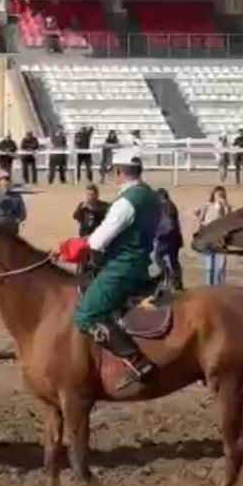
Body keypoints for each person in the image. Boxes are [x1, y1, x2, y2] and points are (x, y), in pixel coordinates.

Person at [53, 149, 161, 390]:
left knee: (85, 315)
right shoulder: (151, 196)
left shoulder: (125, 202)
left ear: (119, 171)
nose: (113, 175)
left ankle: (136, 360)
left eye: (114, 171)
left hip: (122, 268)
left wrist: (65, 249)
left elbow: (96, 242)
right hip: (142, 263)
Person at [194, 186, 231, 285]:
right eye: (218, 195)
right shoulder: (208, 206)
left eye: (222, 195)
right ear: (213, 195)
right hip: (209, 239)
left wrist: (225, 205)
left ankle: (221, 287)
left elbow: (229, 219)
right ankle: (209, 286)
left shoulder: (226, 208)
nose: (220, 197)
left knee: (220, 267)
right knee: (209, 267)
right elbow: (201, 221)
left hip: (221, 240)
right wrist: (199, 216)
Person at [154, 188, 184, 291]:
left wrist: (159, 233)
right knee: (173, 261)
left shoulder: (165, 206)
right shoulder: (171, 205)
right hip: (174, 238)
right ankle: (176, 282)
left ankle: (167, 277)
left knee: (159, 258)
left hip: (166, 238)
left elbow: (168, 224)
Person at [0, 171, 27, 235]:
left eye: (6, 180)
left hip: (11, 223)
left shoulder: (16, 196)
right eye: (2, 180)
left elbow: (22, 212)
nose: (4, 182)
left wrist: (18, 220)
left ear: (9, 182)